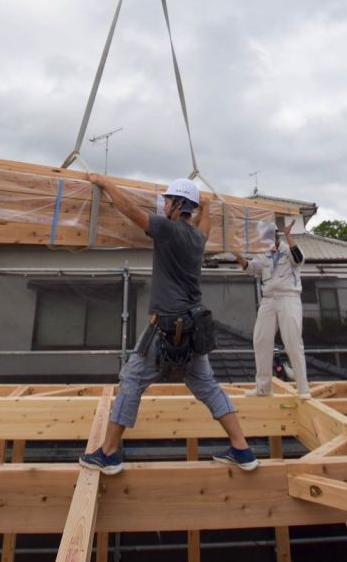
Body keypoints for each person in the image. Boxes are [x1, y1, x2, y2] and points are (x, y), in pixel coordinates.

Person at [79, 175, 259, 474]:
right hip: (193, 329)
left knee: (132, 381)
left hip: (164, 329)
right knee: (208, 387)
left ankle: (108, 453)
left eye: (167, 200)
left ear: (178, 205)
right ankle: (242, 449)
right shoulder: (198, 239)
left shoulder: (167, 230)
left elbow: (131, 211)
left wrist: (105, 184)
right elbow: (206, 224)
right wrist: (208, 207)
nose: (163, 205)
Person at [233, 219, 310, 399]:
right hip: (268, 300)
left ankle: (303, 389)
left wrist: (289, 236)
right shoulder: (263, 254)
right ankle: (263, 388)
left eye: (268, 236)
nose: (265, 240)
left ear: (276, 236)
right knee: (260, 341)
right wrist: (239, 257)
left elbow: (299, 259)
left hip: (288, 298)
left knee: (292, 342)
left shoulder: (288, 250)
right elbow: (252, 269)